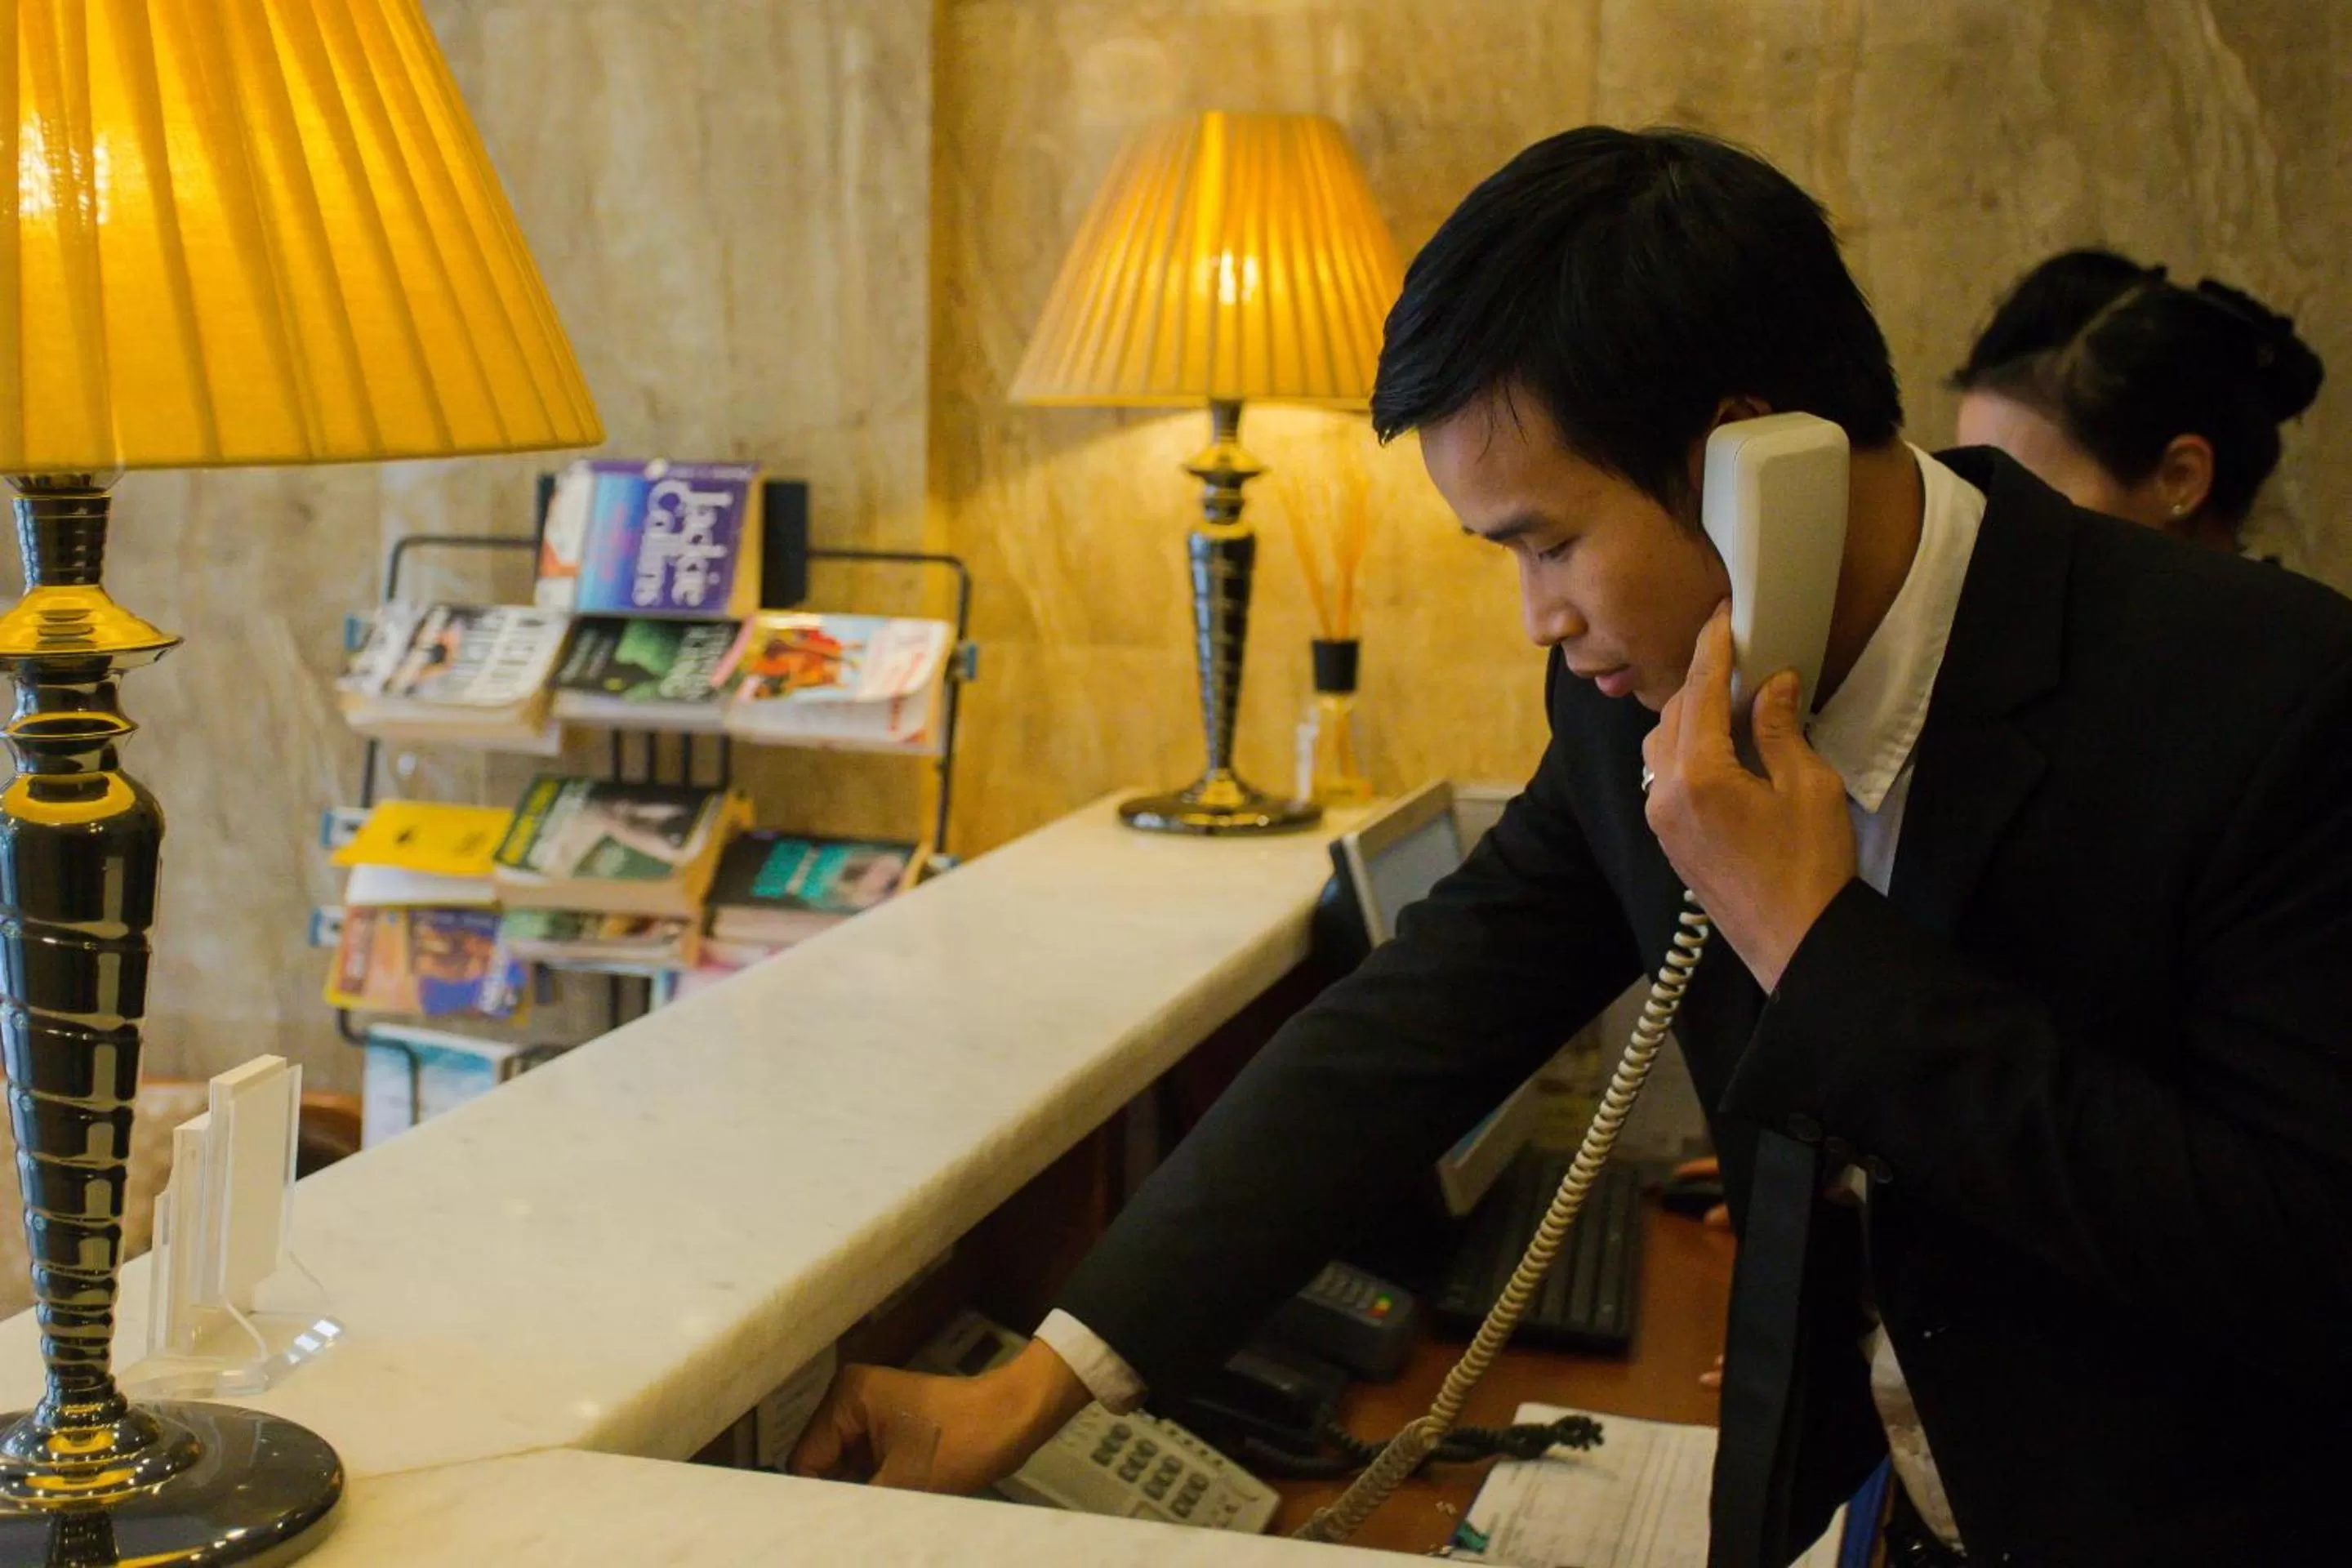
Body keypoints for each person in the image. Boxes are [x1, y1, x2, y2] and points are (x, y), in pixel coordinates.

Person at [792, 128, 2352, 1566]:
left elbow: (2296, 1249)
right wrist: (1050, 1377)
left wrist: (1818, 948)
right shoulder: (1641, 697)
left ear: (1753, 463)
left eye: (1549, 542)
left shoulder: (2271, 700)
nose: (1541, 619)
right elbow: (1425, 1013)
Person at [1953, 249, 2323, 551]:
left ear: (2181, 478)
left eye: (2023, 507)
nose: (1981, 544)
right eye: (1976, 504)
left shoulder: (2296, 641)